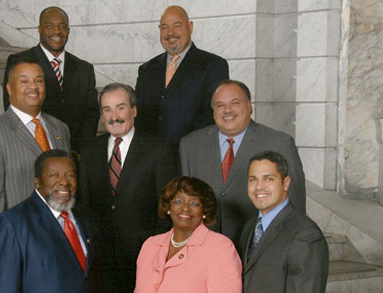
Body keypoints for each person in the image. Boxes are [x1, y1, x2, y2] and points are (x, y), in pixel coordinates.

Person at [179, 80, 306, 248]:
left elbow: (295, 206)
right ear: (213, 111)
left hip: (259, 249)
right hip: (204, 249)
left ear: (249, 106)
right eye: (220, 105)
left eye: (235, 103)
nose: (227, 110)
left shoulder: (279, 143)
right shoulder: (190, 145)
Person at [78, 83, 178, 292]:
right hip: (101, 261)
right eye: (107, 109)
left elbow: (168, 207)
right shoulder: (88, 151)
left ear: (134, 110)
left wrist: (155, 252)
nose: (114, 116)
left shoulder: (160, 149)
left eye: (120, 107)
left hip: (144, 258)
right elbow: (84, 205)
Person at [0, 58, 70, 231]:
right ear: (9, 88)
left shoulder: (60, 128)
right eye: (24, 81)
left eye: (39, 81)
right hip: (22, 241)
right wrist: (2, 250)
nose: (33, 86)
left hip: (63, 237)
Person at [0, 149, 99, 292]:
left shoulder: (87, 218)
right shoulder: (10, 225)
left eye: (70, 175)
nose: (64, 182)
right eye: (54, 175)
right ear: (37, 182)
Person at [2, 6, 99, 153]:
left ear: (68, 31)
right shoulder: (20, 61)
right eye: (49, 26)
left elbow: (91, 114)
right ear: (39, 29)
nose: (57, 32)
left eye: (62, 27)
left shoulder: (84, 69)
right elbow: (12, 107)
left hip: (74, 155)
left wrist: (80, 150)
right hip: (33, 151)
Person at [134, 5, 229, 145]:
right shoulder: (147, 69)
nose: (170, 33)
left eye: (177, 25)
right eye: (164, 27)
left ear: (190, 27)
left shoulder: (213, 65)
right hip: (152, 158)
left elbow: (212, 116)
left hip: (193, 155)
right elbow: (139, 116)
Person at [240, 151, 328, 292]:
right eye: (253, 179)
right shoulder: (249, 227)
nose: (258, 186)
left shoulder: (306, 234)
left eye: (268, 179)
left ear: (286, 183)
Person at [135, 176, 242, 293]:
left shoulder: (220, 247)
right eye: (178, 201)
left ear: (205, 211)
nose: (185, 208)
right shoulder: (150, 245)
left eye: (194, 203)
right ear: (169, 207)